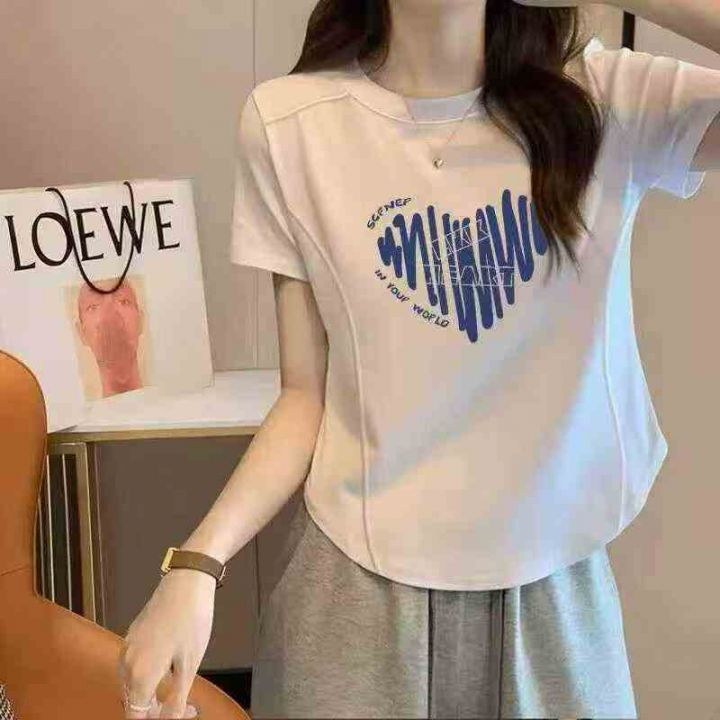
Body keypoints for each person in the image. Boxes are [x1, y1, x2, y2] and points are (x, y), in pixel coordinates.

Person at [118, 1, 720, 718]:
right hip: (352, 598)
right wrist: (196, 564)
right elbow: (305, 398)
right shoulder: (290, 123)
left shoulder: (607, 101)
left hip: (553, 593)